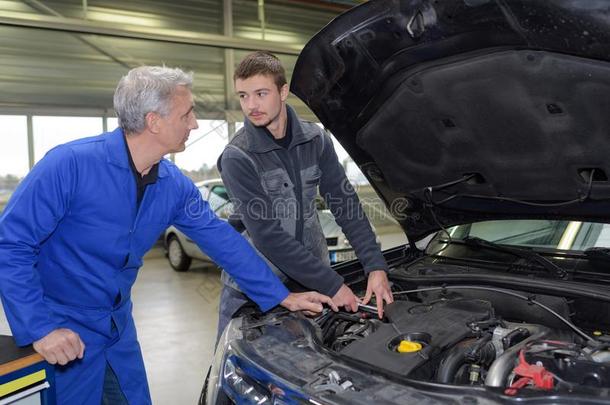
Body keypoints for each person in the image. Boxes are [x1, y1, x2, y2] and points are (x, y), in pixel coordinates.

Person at [0, 66, 336, 405]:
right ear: (154, 122)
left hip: (117, 328)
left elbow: (220, 239)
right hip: (64, 331)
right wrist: (40, 328)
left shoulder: (171, 184)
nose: (194, 124)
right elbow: (11, 245)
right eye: (187, 113)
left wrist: (279, 295)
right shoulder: (68, 165)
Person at [216, 51, 394, 340]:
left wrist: (374, 265)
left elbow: (344, 202)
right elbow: (268, 236)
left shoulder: (316, 140)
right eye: (243, 96)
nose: (251, 105)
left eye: (261, 93)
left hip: (309, 280)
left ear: (283, 91)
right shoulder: (238, 156)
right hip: (255, 287)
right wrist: (334, 285)